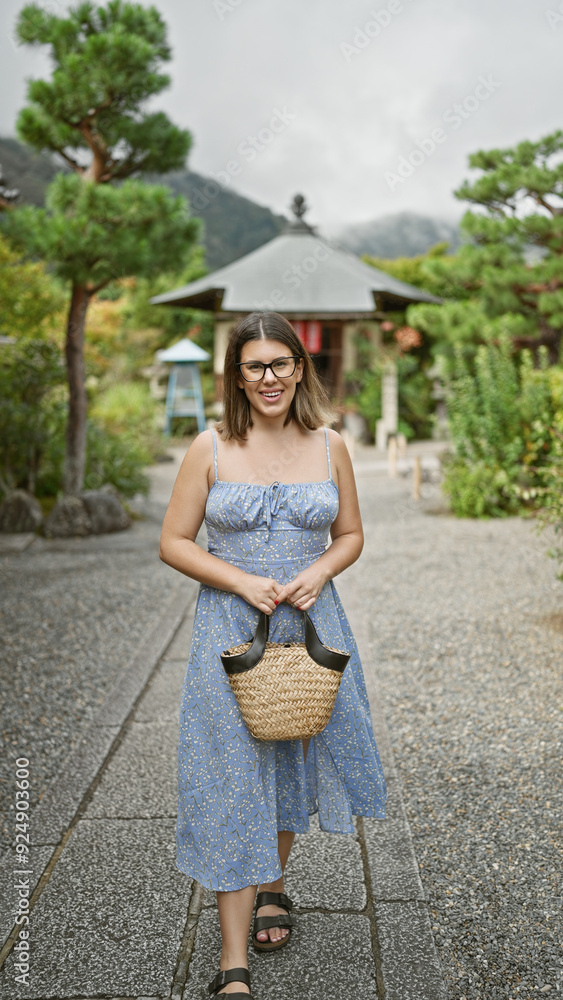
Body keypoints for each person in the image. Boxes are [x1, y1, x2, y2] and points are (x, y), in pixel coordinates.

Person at [159, 311, 386, 999]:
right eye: (254, 366)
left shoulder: (330, 444)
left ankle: (272, 885)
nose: (268, 379)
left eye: (280, 365)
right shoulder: (210, 446)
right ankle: (233, 965)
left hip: (309, 627)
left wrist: (320, 571)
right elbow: (174, 541)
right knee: (229, 777)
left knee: (291, 759)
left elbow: (349, 533)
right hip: (229, 630)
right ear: (236, 374)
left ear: (299, 368)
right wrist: (240, 580)